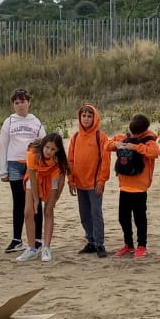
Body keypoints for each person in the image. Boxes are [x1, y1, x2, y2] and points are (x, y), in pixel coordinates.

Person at [0, 89, 44, 253]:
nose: (20, 105)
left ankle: (37, 239)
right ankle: (17, 239)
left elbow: (43, 145)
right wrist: (3, 170)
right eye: (16, 102)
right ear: (13, 105)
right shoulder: (9, 122)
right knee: (18, 202)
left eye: (23, 101)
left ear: (29, 102)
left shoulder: (35, 121)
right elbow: (3, 145)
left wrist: (42, 167)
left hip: (32, 166)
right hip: (14, 164)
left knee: (36, 200)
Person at [107, 114, 159, 258]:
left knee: (139, 218)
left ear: (144, 130)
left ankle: (142, 246)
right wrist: (117, 144)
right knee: (123, 218)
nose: (134, 135)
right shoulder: (125, 136)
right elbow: (107, 145)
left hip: (140, 188)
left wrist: (136, 147)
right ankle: (128, 245)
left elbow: (154, 153)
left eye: (138, 133)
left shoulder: (149, 140)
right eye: (133, 132)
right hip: (124, 186)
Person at [18, 133, 69, 262]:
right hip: (35, 177)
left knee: (48, 211)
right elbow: (32, 178)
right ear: (43, 145)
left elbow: (61, 180)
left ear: (57, 150)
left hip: (52, 177)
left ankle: (46, 247)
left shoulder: (59, 159)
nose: (49, 151)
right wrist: (36, 199)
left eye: (53, 149)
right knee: (28, 212)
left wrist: (56, 197)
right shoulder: (32, 153)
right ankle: (31, 248)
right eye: (47, 147)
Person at [68, 104, 110, 257]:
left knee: (96, 213)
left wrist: (101, 180)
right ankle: (91, 241)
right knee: (84, 214)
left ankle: (99, 244)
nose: (86, 119)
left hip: (94, 184)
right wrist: (70, 179)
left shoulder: (100, 136)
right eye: (83, 116)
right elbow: (70, 160)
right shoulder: (75, 137)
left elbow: (105, 160)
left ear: (95, 118)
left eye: (89, 116)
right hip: (80, 183)